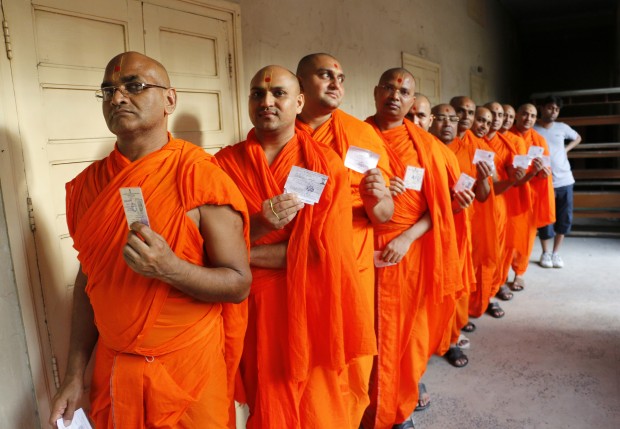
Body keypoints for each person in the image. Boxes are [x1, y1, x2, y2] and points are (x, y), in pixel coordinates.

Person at [49, 52, 252, 429]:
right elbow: (88, 281)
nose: (118, 98)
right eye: (108, 90)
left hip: (188, 369)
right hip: (115, 370)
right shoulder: (87, 187)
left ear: (170, 100)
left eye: (134, 86)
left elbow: (238, 283)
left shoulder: (200, 177)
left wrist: (171, 269)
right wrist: (74, 376)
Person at [215, 65, 376, 429]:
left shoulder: (324, 164)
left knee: (317, 404)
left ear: (299, 101)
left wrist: (238, 255)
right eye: (258, 93)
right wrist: (257, 229)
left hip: (308, 303)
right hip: (246, 305)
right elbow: (207, 243)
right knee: (263, 400)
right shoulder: (223, 165)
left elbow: (323, 251)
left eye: (278, 94)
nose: (267, 101)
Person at [295, 52, 392, 428]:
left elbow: (383, 216)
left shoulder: (361, 134)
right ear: (301, 84)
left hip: (353, 261)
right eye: (324, 75)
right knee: (305, 356)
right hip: (298, 261)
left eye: (341, 77)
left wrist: (374, 198)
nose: (336, 83)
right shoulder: (282, 133)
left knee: (351, 357)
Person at [364, 68, 460, 429]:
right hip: (362, 249)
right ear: (376, 92)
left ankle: (397, 410)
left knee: (408, 336)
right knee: (366, 335)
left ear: (412, 99)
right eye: (388, 87)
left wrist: (405, 238)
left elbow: (441, 208)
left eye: (404, 91)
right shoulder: (354, 137)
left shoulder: (428, 147)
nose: (395, 95)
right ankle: (366, 409)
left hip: (410, 251)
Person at [448, 97, 504, 327]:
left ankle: (460, 321)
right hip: (440, 215)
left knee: (466, 267)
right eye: (460, 111)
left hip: (470, 216)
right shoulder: (439, 141)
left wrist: (483, 178)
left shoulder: (481, 149)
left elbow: (484, 193)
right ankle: (446, 325)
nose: (465, 117)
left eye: (470, 113)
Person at [483, 102, 527, 301]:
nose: (498, 118)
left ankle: (497, 284)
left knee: (500, 248)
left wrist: (521, 174)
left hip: (502, 200)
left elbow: (513, 174)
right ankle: (481, 292)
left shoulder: (509, 143)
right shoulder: (473, 139)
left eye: (501, 115)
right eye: (493, 114)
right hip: (477, 201)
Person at [509, 104, 555, 290]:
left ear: (536, 119)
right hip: (508, 192)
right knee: (505, 236)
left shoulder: (539, 140)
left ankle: (519, 273)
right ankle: (500, 273)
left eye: (532, 116)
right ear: (517, 116)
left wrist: (543, 172)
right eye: (525, 114)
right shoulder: (506, 136)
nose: (528, 118)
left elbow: (547, 168)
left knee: (525, 237)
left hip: (530, 194)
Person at [534, 95, 581, 268]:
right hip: (543, 181)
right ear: (542, 108)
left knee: (564, 217)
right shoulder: (533, 128)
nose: (553, 111)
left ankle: (556, 253)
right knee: (545, 218)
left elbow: (578, 137)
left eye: (556, 109)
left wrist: (565, 149)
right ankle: (545, 253)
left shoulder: (562, 127)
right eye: (550, 107)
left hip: (565, 179)